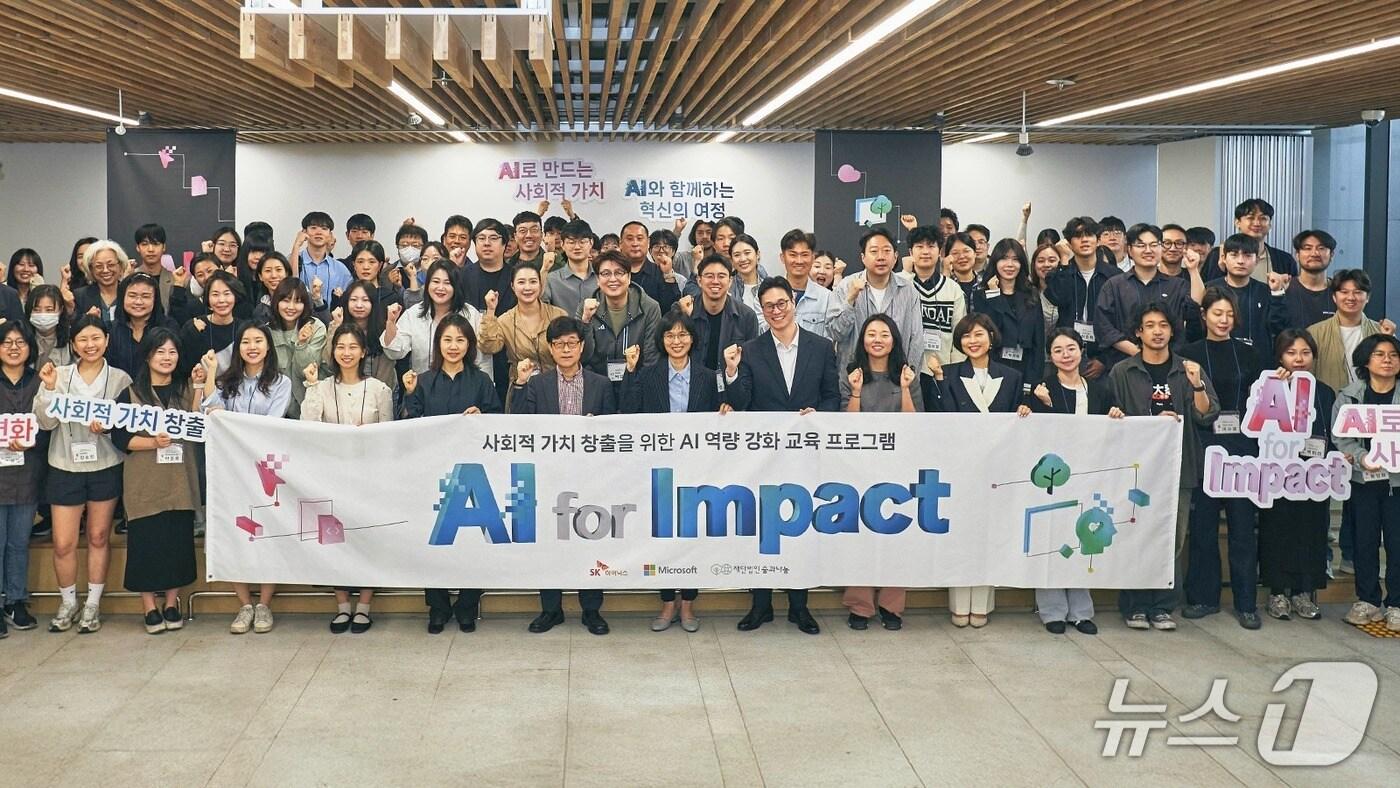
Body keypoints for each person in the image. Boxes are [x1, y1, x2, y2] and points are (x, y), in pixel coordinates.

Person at [725, 277, 839, 636]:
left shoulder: (821, 347)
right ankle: (760, 605)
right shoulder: (750, 350)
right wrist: (732, 371)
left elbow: (832, 397)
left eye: (781, 303)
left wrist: (818, 416)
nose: (776, 311)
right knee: (763, 528)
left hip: (806, 454)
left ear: (793, 303)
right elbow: (741, 402)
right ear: (761, 310)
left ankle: (799, 606)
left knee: (799, 528)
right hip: (764, 457)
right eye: (768, 306)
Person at [1107, 303, 1219, 631]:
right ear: (1138, 332)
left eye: (1163, 325)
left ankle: (1162, 606)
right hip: (1136, 469)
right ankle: (1135, 605)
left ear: (1172, 330)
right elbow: (1110, 416)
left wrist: (1197, 385)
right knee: (1135, 535)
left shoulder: (1188, 369)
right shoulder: (1123, 371)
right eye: (1150, 325)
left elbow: (1206, 414)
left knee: (1172, 538)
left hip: (1179, 467)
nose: (1157, 331)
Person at [508, 316, 615, 635]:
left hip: (590, 476)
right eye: (559, 344)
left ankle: (591, 610)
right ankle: (550, 609)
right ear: (550, 349)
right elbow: (519, 426)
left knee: (590, 539)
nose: (566, 349)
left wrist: (598, 429)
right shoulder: (538, 384)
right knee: (549, 543)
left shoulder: (601, 384)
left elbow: (613, 431)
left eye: (572, 343)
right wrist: (520, 384)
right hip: (549, 476)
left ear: (582, 347)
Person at [619, 308, 721, 633]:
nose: (676, 341)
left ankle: (688, 604)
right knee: (661, 537)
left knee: (692, 536)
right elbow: (628, 411)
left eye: (682, 334)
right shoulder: (648, 375)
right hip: (658, 472)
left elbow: (723, 414)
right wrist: (630, 371)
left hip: (697, 472)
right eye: (669, 335)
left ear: (693, 339)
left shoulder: (708, 377)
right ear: (661, 340)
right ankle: (666, 602)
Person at [925, 313, 1028, 626]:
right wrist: (938, 380)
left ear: (991, 338)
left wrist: (1025, 410)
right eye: (966, 336)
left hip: (996, 469)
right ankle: (959, 603)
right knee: (960, 535)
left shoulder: (1012, 376)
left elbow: (1014, 421)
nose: (973, 341)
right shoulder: (947, 373)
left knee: (989, 536)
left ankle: (982, 603)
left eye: (979, 334)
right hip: (959, 467)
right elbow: (938, 418)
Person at [32, 316, 132, 634]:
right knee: (63, 543)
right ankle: (68, 602)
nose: (90, 345)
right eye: (83, 339)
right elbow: (44, 423)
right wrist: (49, 389)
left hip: (105, 465)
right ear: (74, 344)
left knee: (99, 537)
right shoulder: (58, 375)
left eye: (96, 338)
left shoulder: (120, 379)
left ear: (107, 341)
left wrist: (110, 427)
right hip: (64, 465)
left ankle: (92, 605)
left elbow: (127, 425)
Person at [1029, 329, 1124, 634]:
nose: (1065, 355)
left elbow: (1111, 428)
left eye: (1071, 348)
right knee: (1051, 540)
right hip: (1052, 477)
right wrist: (1040, 404)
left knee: (1084, 538)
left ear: (1082, 350)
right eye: (1058, 350)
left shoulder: (1099, 389)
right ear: (1050, 356)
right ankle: (1052, 610)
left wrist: (1115, 414)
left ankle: (1081, 612)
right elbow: (1038, 430)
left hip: (1088, 474)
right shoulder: (1042, 388)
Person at [199, 322, 292, 634]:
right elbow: (211, 412)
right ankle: (244, 605)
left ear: (268, 347)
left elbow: (272, 423)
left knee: (267, 533)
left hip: (266, 470)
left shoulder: (281, 383)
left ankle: (264, 604)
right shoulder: (228, 382)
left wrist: (233, 426)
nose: (252, 347)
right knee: (235, 532)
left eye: (258, 341)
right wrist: (212, 373)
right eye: (246, 342)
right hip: (232, 469)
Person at [302, 324, 395, 634]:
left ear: (363, 351)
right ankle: (342, 606)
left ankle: (364, 606)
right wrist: (311, 386)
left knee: (367, 539)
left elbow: (389, 435)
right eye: (341, 346)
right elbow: (307, 428)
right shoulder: (321, 388)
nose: (346, 352)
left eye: (353, 346)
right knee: (333, 540)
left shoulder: (380, 389)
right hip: (331, 476)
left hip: (370, 478)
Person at [1180, 289, 1263, 628]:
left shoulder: (1250, 354)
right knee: (1203, 527)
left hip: (1244, 449)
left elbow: (1263, 398)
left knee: (1243, 528)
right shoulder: (1188, 354)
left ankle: (1246, 603)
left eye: (1229, 314)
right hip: (1204, 446)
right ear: (1204, 315)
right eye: (1217, 313)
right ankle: (1203, 598)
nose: (1224, 320)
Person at [111, 328, 202, 634]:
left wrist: (200, 386)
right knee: (146, 546)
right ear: (148, 356)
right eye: (160, 351)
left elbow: (198, 424)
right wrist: (153, 443)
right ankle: (149, 606)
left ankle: (172, 603)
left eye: (172, 352)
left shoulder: (185, 389)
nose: (167, 357)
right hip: (144, 484)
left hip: (179, 482)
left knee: (177, 545)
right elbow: (119, 437)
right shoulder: (130, 394)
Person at [840, 314, 921, 632]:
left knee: (896, 535)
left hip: (898, 467)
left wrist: (905, 389)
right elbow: (846, 427)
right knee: (859, 535)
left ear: (894, 340)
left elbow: (915, 425)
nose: (877, 339)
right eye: (871, 334)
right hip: (859, 468)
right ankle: (860, 605)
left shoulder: (907, 375)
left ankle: (891, 606)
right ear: (862, 340)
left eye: (884, 334)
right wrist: (856, 391)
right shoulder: (852, 374)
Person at [1259, 329, 1332, 622]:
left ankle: (1304, 591)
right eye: (1291, 353)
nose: (1299, 359)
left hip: (1314, 475)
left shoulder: (1325, 392)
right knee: (1277, 529)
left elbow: (1330, 435)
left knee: (1311, 531)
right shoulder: (1269, 387)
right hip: (1278, 474)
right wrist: (1276, 389)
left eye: (1305, 353)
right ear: (1280, 357)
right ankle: (1277, 592)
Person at [1335, 333, 1400, 632]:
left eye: (1393, 355)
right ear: (1366, 360)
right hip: (1364, 480)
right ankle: (1368, 600)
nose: (1387, 360)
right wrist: (1363, 458)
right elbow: (1342, 437)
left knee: (1397, 543)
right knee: (1364, 541)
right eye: (1380, 354)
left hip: (1397, 483)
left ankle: (1396, 603)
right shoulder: (1349, 396)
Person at [1094, 223, 1200, 369]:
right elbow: (1104, 327)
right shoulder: (1114, 285)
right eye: (1141, 245)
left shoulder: (1177, 285)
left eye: (1154, 245)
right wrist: (1138, 352)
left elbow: (1195, 308)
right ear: (1129, 250)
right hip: (1125, 364)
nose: (1148, 250)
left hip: (1169, 364)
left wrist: (1193, 270)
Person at [0, 321, 42, 635]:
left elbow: (50, 424)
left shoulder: (40, 380)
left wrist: (31, 440)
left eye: (20, 342)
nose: (14, 348)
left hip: (27, 474)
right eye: (6, 342)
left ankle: (15, 600)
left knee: (18, 542)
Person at [383, 259, 491, 380]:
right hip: (424, 386)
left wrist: (485, 386)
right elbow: (394, 352)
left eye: (447, 283)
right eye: (435, 281)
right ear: (427, 284)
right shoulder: (413, 314)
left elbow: (482, 360)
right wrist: (390, 322)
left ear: (456, 286)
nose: (440, 288)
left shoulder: (470, 314)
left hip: (465, 386)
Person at [834, 228, 923, 371]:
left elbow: (916, 340)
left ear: (895, 257)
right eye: (874, 251)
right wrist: (850, 300)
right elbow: (836, 333)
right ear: (863, 257)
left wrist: (911, 376)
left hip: (897, 377)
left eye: (886, 251)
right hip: (854, 376)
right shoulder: (846, 286)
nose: (881, 257)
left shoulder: (908, 291)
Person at [578, 251, 661, 392]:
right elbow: (583, 356)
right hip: (597, 387)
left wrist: (636, 388)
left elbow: (651, 359)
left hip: (637, 384)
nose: (612, 279)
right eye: (605, 274)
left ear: (629, 277)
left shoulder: (649, 307)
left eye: (619, 273)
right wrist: (585, 322)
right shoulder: (586, 307)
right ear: (597, 279)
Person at [1204, 233, 1290, 367]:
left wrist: (1278, 293)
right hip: (1217, 360)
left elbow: (1278, 328)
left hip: (1258, 362)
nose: (1241, 261)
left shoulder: (1266, 291)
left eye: (1247, 255)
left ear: (1257, 260)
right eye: (1234, 255)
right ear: (1224, 258)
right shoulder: (1209, 289)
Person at [973, 239, 1045, 386]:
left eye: (1015, 259)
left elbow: (1038, 340)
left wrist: (1034, 379)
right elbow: (991, 330)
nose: (1010, 264)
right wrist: (994, 295)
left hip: (1025, 368)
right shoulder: (981, 295)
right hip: (992, 367)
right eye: (1004, 259)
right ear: (995, 262)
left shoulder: (1031, 294)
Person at [479, 265, 570, 378]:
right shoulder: (505, 321)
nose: (527, 287)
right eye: (521, 282)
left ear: (541, 284)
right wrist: (490, 310)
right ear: (513, 286)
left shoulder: (558, 315)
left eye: (533, 282)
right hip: (521, 383)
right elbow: (489, 347)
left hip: (557, 381)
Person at [678, 255, 761, 376]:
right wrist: (687, 319)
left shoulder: (747, 316)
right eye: (709, 276)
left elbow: (752, 363)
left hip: (730, 383)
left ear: (730, 281)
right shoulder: (684, 310)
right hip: (690, 382)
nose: (715, 281)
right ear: (699, 281)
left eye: (721, 276)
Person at [267, 279, 328, 419]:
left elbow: (306, 370)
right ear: (276, 302)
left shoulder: (316, 327)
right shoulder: (267, 331)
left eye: (298, 301)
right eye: (286, 300)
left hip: (313, 405)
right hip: (279, 408)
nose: (291, 307)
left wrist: (302, 344)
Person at [323, 280, 397, 390]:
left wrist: (391, 323)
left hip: (380, 390)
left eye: (365, 300)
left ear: (373, 303)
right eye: (353, 300)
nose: (359, 305)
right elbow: (329, 361)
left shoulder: (384, 327)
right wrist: (337, 326)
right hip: (345, 390)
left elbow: (392, 356)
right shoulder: (337, 324)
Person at [1203, 198, 1300, 280]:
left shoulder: (1285, 260)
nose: (1257, 223)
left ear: (1270, 224)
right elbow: (1207, 290)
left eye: (1263, 218)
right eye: (1250, 218)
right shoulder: (1218, 255)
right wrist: (1221, 270)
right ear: (1237, 223)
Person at [106, 273, 175, 377]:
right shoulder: (111, 330)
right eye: (132, 296)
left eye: (145, 296)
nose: (138, 302)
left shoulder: (168, 327)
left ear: (155, 299)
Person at [179, 271, 245, 379]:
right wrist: (195, 335)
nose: (221, 300)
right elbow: (184, 368)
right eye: (215, 294)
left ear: (235, 296)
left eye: (227, 294)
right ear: (207, 298)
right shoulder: (194, 327)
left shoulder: (244, 329)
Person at [131, 224, 198, 325]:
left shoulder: (177, 280)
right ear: (137, 247)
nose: (150, 249)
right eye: (145, 244)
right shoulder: (130, 279)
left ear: (164, 247)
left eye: (156, 244)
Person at [542, 218, 597, 317]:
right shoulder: (552, 280)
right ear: (562, 244)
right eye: (571, 242)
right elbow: (541, 312)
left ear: (591, 243)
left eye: (582, 242)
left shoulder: (602, 277)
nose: (577, 247)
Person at [1284, 230, 1336, 329]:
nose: (1314, 253)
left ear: (1332, 255)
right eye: (1308, 248)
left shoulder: (1340, 291)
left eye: (1321, 248)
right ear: (1297, 255)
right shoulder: (1284, 289)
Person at [295, 211, 351, 298]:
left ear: (330, 234)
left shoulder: (340, 269)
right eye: (313, 228)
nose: (319, 232)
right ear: (304, 232)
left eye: (324, 228)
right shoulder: (293, 260)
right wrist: (297, 245)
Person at [73, 240, 127, 322]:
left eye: (111, 265)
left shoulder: (129, 294)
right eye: (99, 266)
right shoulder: (80, 296)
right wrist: (87, 320)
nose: (105, 270)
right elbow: (73, 326)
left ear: (120, 266)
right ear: (91, 269)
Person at [943, 232, 982, 308]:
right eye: (955, 253)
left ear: (975, 254)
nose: (961, 256)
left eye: (966, 251)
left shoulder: (984, 284)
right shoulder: (942, 284)